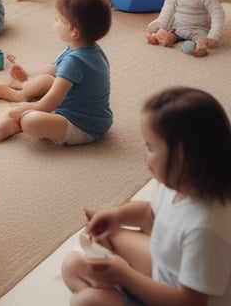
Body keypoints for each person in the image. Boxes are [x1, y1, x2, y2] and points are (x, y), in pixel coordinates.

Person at [61, 86, 231, 305]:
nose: (144, 153)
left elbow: (191, 302)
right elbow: (151, 215)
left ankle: (111, 295)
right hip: (164, 272)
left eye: (150, 147)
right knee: (73, 264)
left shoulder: (205, 229)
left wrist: (124, 276)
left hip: (178, 298)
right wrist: (117, 216)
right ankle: (112, 294)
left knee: (85, 301)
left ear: (182, 155)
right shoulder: (181, 183)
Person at [0, 0, 113, 145]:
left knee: (30, 120)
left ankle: (18, 110)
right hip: (78, 108)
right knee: (46, 80)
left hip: (83, 125)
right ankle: (21, 91)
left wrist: (25, 109)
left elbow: (51, 101)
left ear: (74, 32)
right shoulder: (84, 49)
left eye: (58, 19)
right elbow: (53, 70)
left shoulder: (76, 61)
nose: (54, 23)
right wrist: (29, 77)